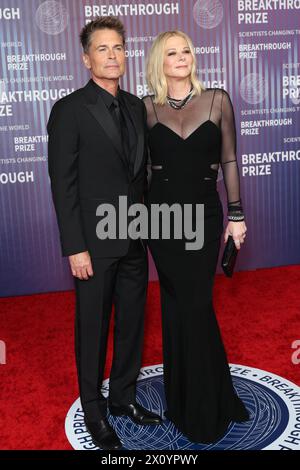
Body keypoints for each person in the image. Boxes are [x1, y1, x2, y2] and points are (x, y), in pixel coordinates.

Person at [47, 16, 161, 451]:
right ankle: (94, 410)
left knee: (133, 323)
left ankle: (123, 399)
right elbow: (64, 184)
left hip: (134, 237)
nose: (112, 56)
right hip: (93, 245)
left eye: (118, 48)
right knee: (92, 329)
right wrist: (75, 247)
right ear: (86, 57)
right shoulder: (70, 110)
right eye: (102, 49)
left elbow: (142, 176)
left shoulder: (136, 106)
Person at [142, 30, 249, 444]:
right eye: (172, 52)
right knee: (177, 304)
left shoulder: (217, 100)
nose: (181, 57)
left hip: (204, 217)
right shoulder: (146, 109)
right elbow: (142, 171)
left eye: (185, 50)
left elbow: (229, 159)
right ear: (159, 62)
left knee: (196, 302)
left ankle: (206, 401)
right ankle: (190, 398)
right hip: (161, 220)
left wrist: (236, 215)